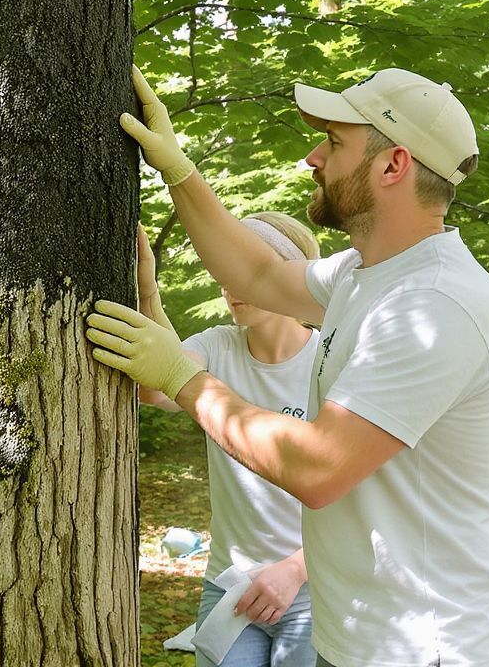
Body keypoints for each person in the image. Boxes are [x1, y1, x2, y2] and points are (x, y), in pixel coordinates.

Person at [87, 67, 489, 667]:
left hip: (433, 651)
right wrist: (179, 171)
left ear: (392, 165)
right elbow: (259, 274)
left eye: (335, 142)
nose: (312, 157)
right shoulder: (363, 275)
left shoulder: (434, 302)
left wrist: (182, 377)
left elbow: (318, 469)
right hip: (358, 642)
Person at [137, 214, 320, 667]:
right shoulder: (219, 346)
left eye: (246, 267)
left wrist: (295, 570)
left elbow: (358, 487)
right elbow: (156, 384)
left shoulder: (330, 360)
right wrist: (147, 290)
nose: (229, 283)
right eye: (224, 271)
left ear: (287, 272)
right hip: (230, 584)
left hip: (313, 588)